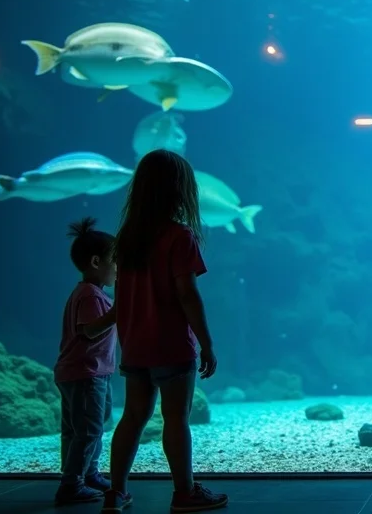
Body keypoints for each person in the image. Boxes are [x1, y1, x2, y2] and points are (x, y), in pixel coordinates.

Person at [100, 149, 227, 513]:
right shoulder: (179, 236)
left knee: (133, 417)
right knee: (176, 418)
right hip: (171, 345)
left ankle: (116, 492)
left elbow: (123, 296)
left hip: (135, 347)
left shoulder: (127, 238)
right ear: (180, 190)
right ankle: (184, 492)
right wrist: (206, 343)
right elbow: (187, 294)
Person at [53, 217, 118, 505]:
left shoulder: (88, 293)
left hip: (82, 373)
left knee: (80, 428)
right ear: (96, 262)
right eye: (115, 261)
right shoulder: (91, 296)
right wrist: (118, 312)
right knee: (89, 429)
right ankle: (72, 483)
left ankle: (87, 473)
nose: (118, 267)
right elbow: (89, 331)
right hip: (86, 373)